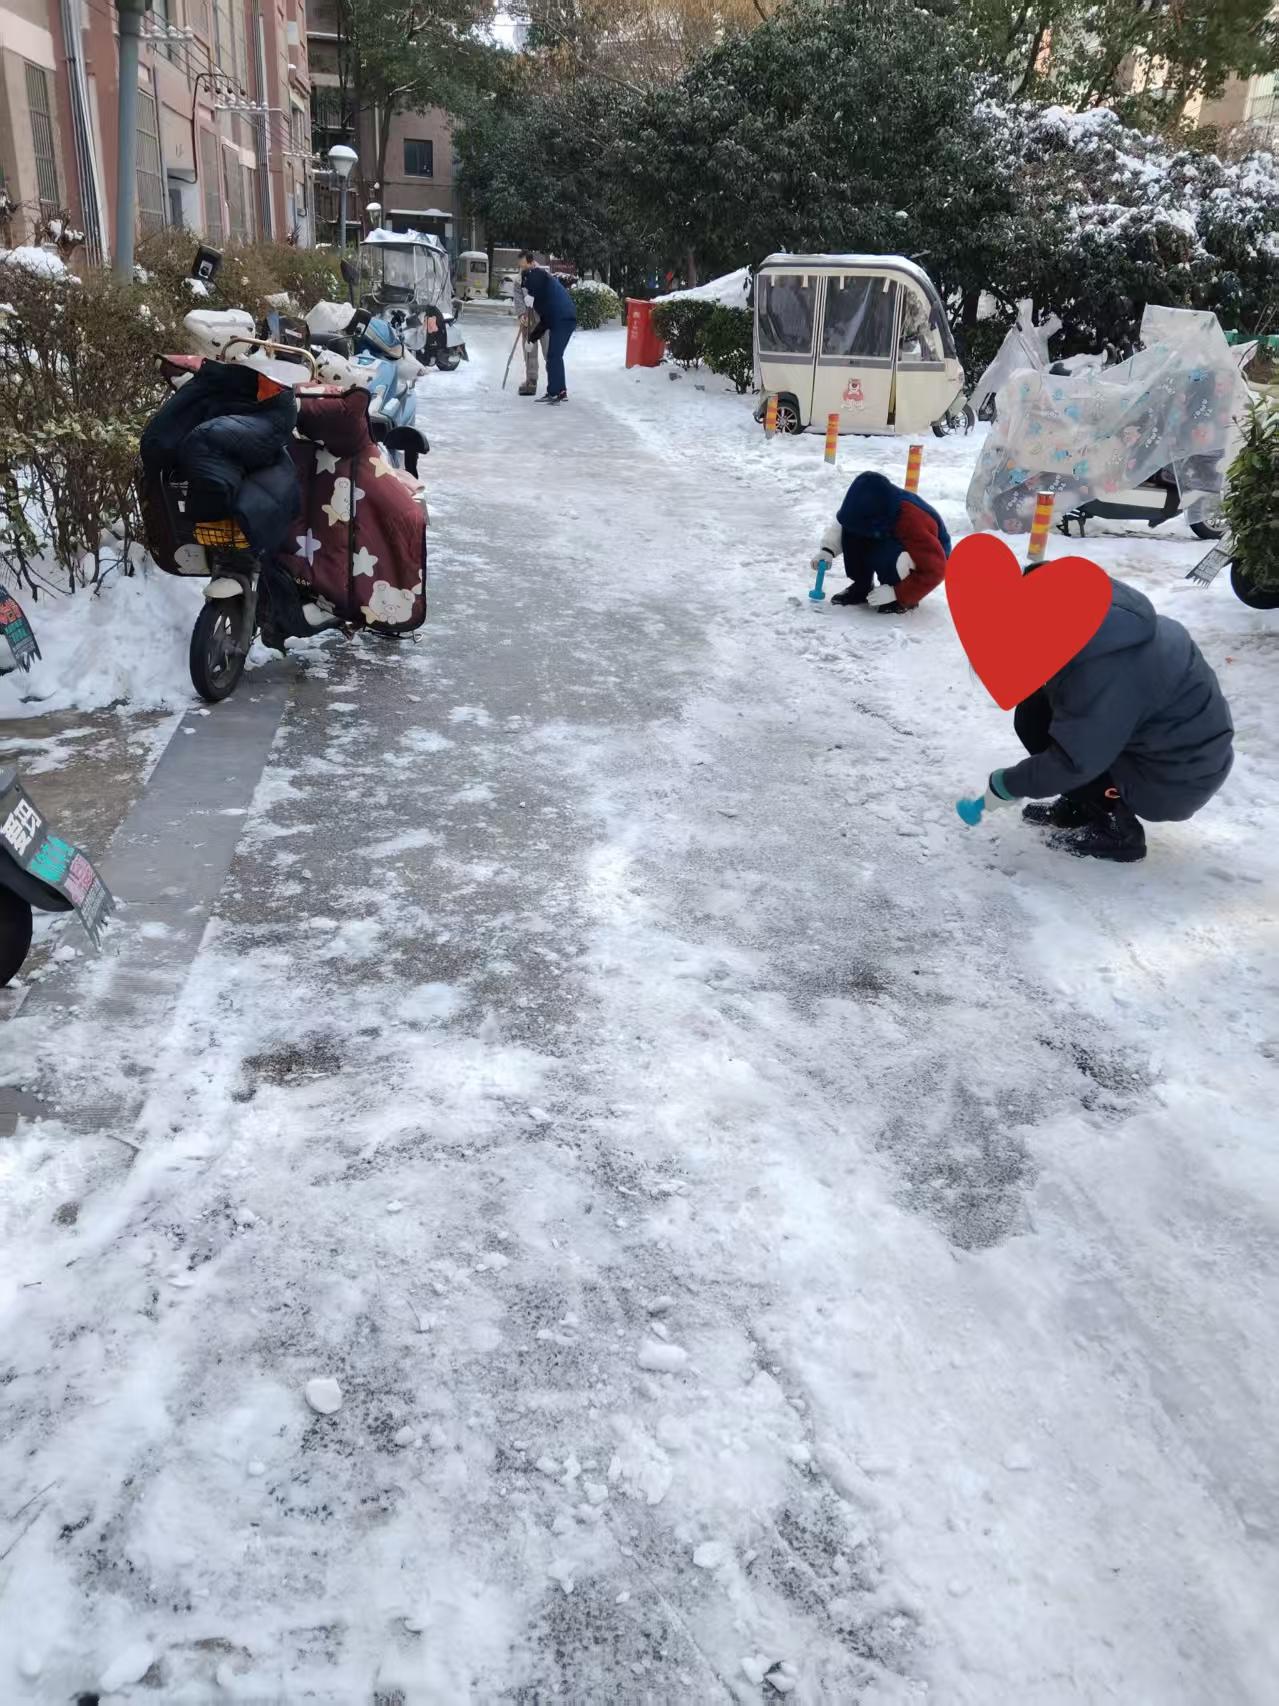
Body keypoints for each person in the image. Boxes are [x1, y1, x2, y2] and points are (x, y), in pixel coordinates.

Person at [959, 577, 1234, 863]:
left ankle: (1118, 830)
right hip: (1168, 750)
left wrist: (1007, 784)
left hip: (1175, 777)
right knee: (1034, 711)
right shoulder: (1099, 631)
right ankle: (1083, 805)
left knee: (1057, 732)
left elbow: (1073, 760)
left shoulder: (1104, 673)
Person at [811, 469, 951, 613]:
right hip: (885, 532)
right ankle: (862, 586)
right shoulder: (862, 506)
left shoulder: (911, 520)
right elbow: (846, 523)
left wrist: (897, 592)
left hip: (932, 555)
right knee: (854, 531)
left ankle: (899, 598)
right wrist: (828, 550)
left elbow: (936, 570)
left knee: (887, 553)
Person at [519, 248, 576, 403]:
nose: (526, 289)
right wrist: (531, 339)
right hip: (562, 318)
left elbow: (537, 279)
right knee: (555, 355)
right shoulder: (542, 297)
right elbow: (544, 322)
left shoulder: (538, 275)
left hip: (563, 318)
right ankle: (561, 391)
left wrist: (531, 295)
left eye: (526, 287)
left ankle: (554, 393)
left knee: (553, 356)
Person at [511, 269, 547, 398]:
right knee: (529, 351)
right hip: (528, 320)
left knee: (550, 351)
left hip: (544, 318)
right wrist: (521, 314)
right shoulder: (519, 279)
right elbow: (518, 298)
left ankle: (556, 383)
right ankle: (531, 381)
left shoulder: (542, 276)